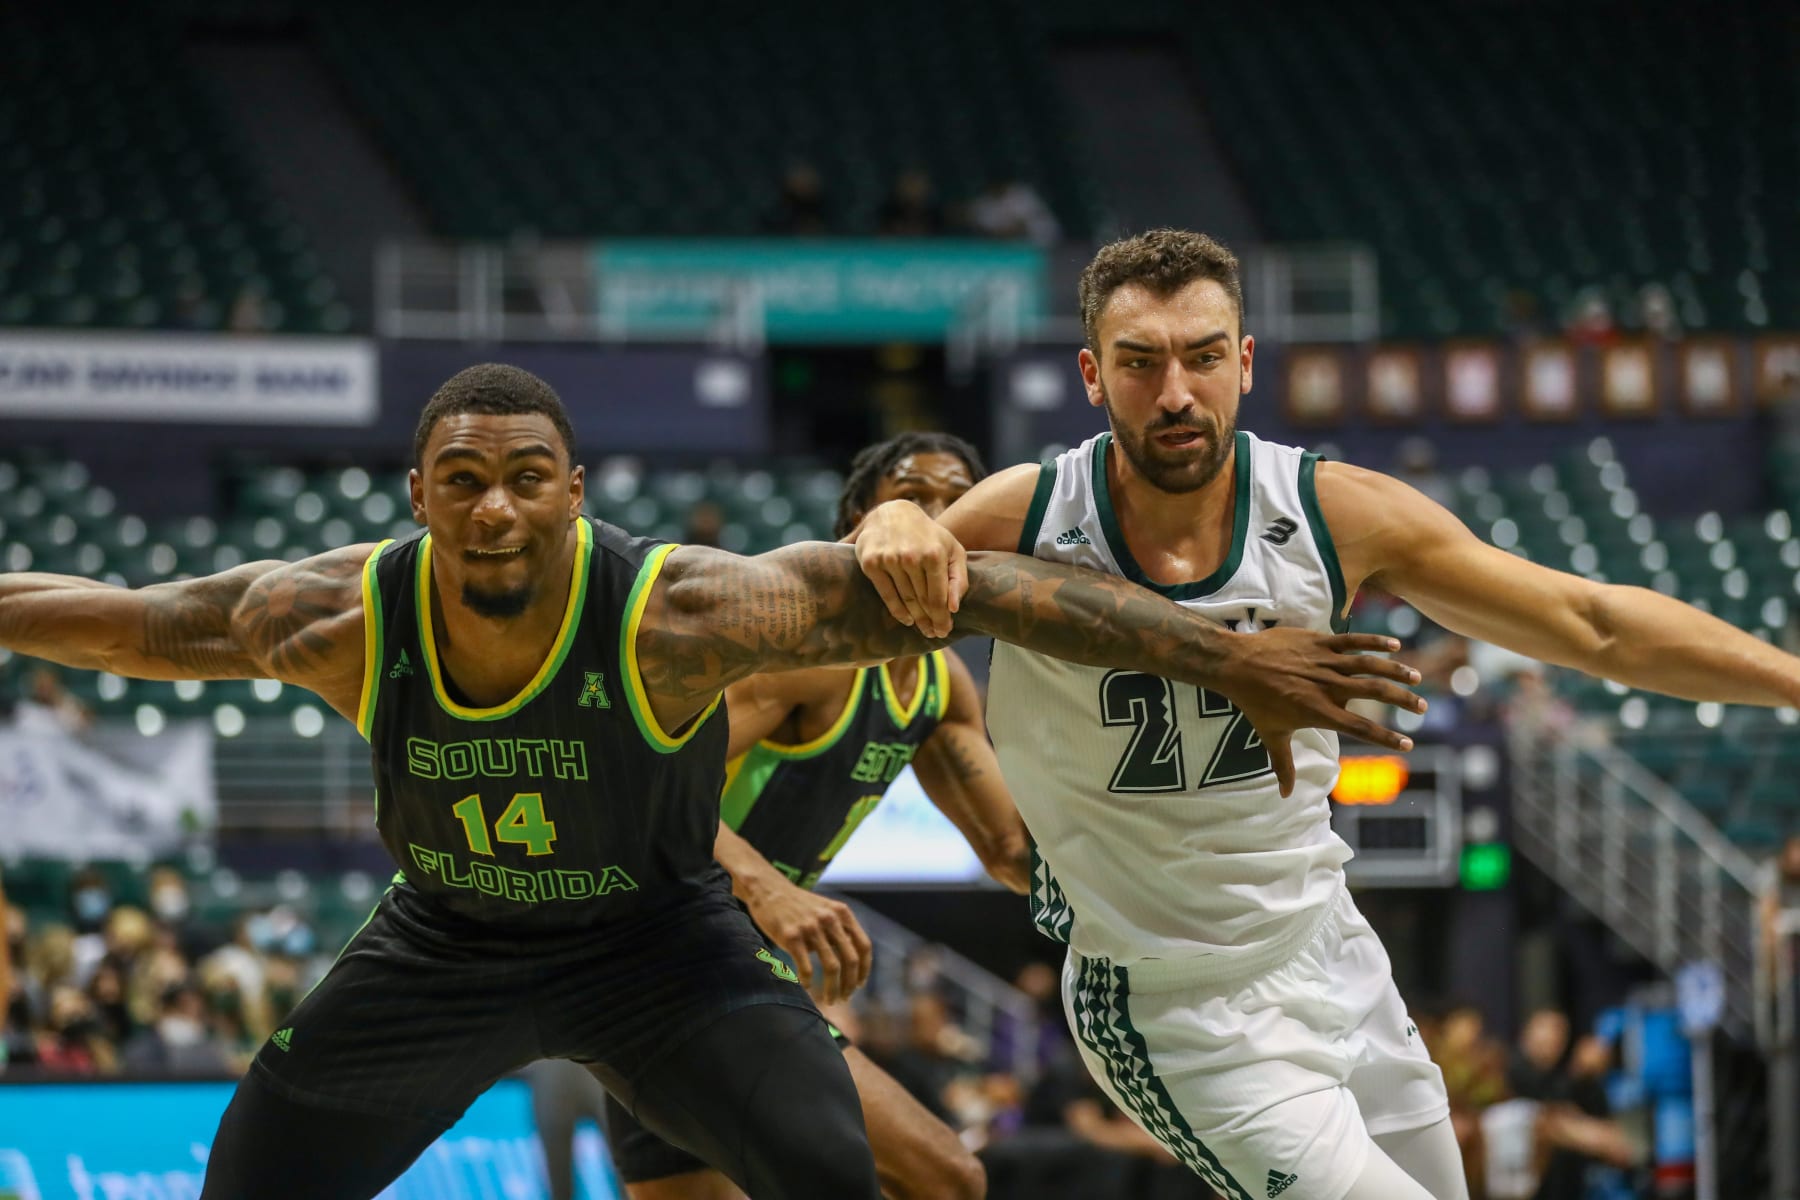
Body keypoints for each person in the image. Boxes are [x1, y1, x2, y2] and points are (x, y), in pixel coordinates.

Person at [0, 362, 1423, 1200]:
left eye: (528, 477)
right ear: (417, 496)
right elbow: (129, 621)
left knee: (866, 1177)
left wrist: (1218, 659)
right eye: (465, 480)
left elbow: (993, 595)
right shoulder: (333, 617)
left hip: (659, 944)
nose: (496, 505)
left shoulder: (682, 611)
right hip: (448, 945)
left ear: (575, 490)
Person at [852, 228, 1800, 1200]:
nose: (1176, 392)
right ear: (1092, 376)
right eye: (1141, 363)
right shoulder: (1029, 513)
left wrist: (1793, 678)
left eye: (1204, 356)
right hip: (1177, 1009)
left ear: (1246, 363)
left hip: (1330, 949)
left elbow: (1592, 623)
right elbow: (861, 577)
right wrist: (890, 523)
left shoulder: (1330, 513)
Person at [600, 432, 1026, 1200]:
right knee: (947, 1178)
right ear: (858, 525)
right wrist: (767, 888)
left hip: (710, 971)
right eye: (912, 496)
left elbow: (1011, 852)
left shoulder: (942, 683)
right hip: (676, 950)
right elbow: (630, 776)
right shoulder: (810, 658)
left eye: (955, 498)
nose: (936, 516)